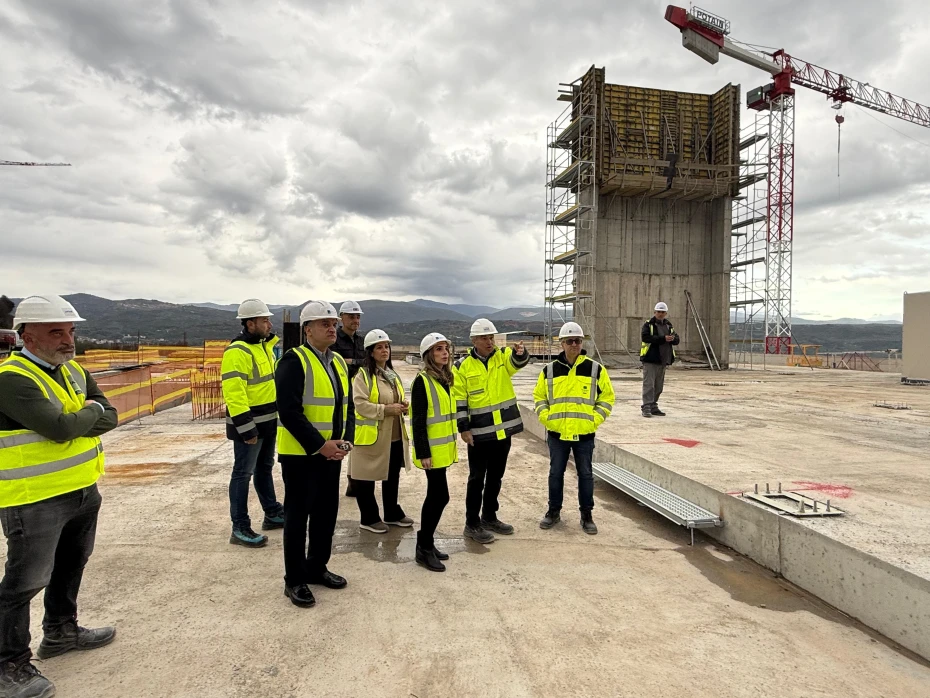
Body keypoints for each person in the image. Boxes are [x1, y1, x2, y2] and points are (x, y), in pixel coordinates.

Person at [0, 295, 118, 698]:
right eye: (56, 332)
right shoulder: (12, 378)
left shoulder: (73, 371)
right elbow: (60, 428)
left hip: (82, 488)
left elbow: (110, 414)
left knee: (71, 565)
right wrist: (87, 414)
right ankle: (9, 665)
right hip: (34, 498)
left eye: (70, 331)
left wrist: (83, 415)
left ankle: (61, 632)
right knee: (24, 582)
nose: (68, 340)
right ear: (27, 336)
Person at [275, 301, 355, 608]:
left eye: (333, 323)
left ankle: (316, 567)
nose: (332, 328)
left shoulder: (337, 363)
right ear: (307, 329)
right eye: (325, 323)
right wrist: (321, 445)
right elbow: (289, 411)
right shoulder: (294, 360)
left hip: (330, 455)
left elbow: (346, 407)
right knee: (297, 518)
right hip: (301, 456)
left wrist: (345, 442)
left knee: (325, 514)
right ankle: (294, 579)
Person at [534, 322, 615, 535]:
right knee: (555, 473)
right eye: (569, 341)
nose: (574, 344)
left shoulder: (595, 369)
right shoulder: (549, 370)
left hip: (584, 433)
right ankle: (553, 511)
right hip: (557, 433)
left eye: (577, 341)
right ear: (562, 343)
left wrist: (594, 419)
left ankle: (586, 515)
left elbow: (607, 398)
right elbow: (539, 397)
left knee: (585, 475)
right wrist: (546, 418)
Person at [453, 318, 529, 544]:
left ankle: (489, 517)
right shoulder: (462, 366)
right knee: (477, 479)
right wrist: (463, 428)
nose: (489, 342)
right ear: (474, 341)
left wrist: (520, 353)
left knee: (496, 477)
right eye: (484, 338)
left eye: (491, 337)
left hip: (503, 432)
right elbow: (459, 400)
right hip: (478, 434)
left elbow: (517, 363)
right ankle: (472, 524)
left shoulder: (502, 357)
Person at [220, 299, 284, 548]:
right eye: (264, 320)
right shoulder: (237, 352)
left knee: (264, 468)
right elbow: (234, 393)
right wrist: (246, 428)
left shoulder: (263, 347)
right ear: (250, 324)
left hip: (267, 422)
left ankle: (272, 513)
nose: (269, 324)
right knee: (242, 474)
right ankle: (240, 527)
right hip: (249, 426)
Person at [351, 329, 413, 534]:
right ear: (370, 352)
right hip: (371, 436)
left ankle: (392, 512)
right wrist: (385, 410)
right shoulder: (363, 376)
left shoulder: (392, 375)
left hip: (393, 435)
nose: (385, 350)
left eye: (387, 346)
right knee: (365, 478)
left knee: (392, 475)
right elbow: (360, 405)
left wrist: (403, 405)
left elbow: (395, 398)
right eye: (379, 347)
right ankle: (369, 518)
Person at [411, 333, 458, 572]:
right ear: (428, 354)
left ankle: (426, 543)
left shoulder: (443, 379)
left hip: (443, 450)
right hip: (431, 452)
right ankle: (424, 547)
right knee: (439, 497)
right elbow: (418, 420)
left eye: (445, 349)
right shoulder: (422, 381)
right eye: (438, 349)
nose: (444, 353)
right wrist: (423, 452)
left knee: (439, 496)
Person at [333, 300, 365, 498]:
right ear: (341, 318)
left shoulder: (361, 341)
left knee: (356, 438)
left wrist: (352, 362)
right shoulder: (334, 340)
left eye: (357, 316)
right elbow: (336, 363)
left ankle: (354, 481)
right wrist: (355, 363)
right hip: (339, 393)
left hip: (358, 392)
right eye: (351, 316)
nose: (355, 320)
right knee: (339, 438)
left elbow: (366, 363)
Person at [640, 302, 680, 418]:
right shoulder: (649, 325)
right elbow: (645, 337)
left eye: (663, 312)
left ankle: (653, 405)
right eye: (658, 312)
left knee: (658, 386)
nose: (660, 314)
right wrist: (663, 338)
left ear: (666, 313)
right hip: (651, 359)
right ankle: (646, 406)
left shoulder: (668, 325)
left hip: (663, 360)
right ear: (655, 312)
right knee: (649, 385)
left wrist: (672, 339)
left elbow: (677, 340)